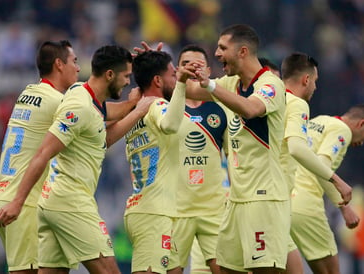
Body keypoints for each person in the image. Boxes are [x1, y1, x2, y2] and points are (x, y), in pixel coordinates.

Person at [0, 44, 154, 274]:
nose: (128, 82)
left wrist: (136, 102)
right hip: (71, 201)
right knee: (110, 271)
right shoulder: (78, 106)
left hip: (51, 203)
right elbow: (43, 153)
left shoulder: (81, 94)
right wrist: (18, 202)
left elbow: (104, 136)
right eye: (126, 76)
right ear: (110, 74)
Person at [176, 24, 289, 274]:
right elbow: (190, 91)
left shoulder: (270, 84)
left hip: (263, 199)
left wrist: (211, 86)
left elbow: (251, 109)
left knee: (264, 270)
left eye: (222, 48)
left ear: (242, 52)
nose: (216, 54)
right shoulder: (230, 83)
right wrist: (173, 72)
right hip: (236, 201)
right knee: (226, 269)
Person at [0, 40, 80, 274]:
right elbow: (97, 117)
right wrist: (136, 105)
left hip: (2, 195)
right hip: (22, 203)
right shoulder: (57, 101)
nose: (78, 68)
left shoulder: (27, 93)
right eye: (74, 61)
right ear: (59, 64)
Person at [124, 50, 204, 274]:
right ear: (158, 80)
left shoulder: (136, 109)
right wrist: (181, 84)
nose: (177, 78)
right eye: (172, 75)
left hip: (149, 209)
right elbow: (170, 124)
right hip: (153, 213)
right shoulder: (157, 105)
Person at [279, 52, 354, 274]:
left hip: (267, 200)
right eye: (316, 81)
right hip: (288, 202)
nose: (316, 88)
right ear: (306, 80)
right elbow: (302, 151)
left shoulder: (263, 99)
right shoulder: (298, 106)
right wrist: (339, 186)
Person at [290, 104, 364, 274]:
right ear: (362, 124)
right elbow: (321, 164)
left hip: (282, 199)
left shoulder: (319, 121)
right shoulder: (342, 130)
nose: (361, 143)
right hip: (305, 205)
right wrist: (345, 208)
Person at [172, 44, 228, 274]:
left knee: (225, 269)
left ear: (209, 70)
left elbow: (233, 155)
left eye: (198, 65)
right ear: (177, 69)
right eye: (187, 64)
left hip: (213, 208)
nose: (192, 69)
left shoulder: (221, 107)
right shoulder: (166, 107)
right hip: (175, 209)